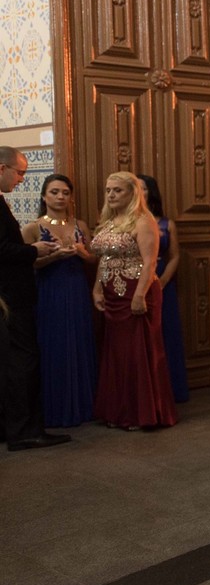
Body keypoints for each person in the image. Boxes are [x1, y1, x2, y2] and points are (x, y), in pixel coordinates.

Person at [91, 171, 178, 431]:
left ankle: (143, 413)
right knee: (116, 353)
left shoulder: (143, 220)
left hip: (137, 291)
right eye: (108, 190)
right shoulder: (108, 221)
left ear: (132, 193)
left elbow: (150, 261)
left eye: (117, 190)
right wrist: (97, 288)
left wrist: (139, 294)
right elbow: (104, 258)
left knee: (138, 352)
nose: (111, 195)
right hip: (112, 293)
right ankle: (119, 412)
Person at [0, 147, 71, 451]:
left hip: (13, 295)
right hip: (11, 297)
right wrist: (35, 251)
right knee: (22, 364)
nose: (21, 179)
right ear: (2, 168)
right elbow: (2, 249)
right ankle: (24, 431)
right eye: (19, 173)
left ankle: (13, 427)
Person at [21, 174, 98, 427]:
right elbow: (24, 265)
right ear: (44, 196)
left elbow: (93, 260)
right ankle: (55, 410)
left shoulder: (81, 225)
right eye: (54, 192)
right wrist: (54, 256)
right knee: (54, 346)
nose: (60, 197)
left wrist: (80, 252)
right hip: (49, 292)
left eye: (65, 192)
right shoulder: (33, 227)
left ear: (71, 197)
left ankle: (84, 405)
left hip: (77, 290)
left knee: (79, 342)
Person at [138, 174, 188, 403]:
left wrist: (163, 280)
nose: (140, 192)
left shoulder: (167, 224)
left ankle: (169, 392)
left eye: (144, 188)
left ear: (151, 192)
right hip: (133, 284)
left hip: (161, 283)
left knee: (165, 335)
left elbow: (175, 256)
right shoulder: (126, 223)